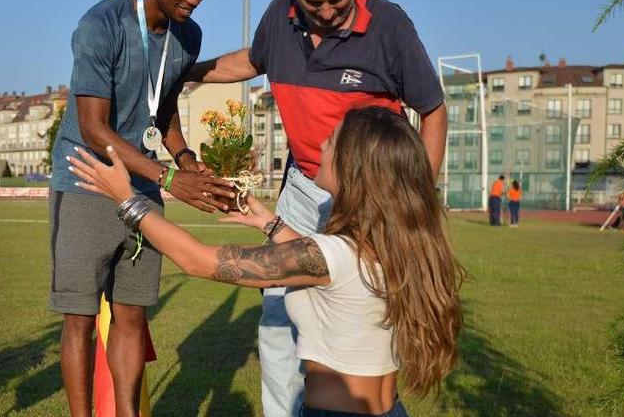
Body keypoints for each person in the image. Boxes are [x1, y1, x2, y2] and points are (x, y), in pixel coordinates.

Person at [186, 0, 448, 414]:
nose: (326, 12)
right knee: (277, 321)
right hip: (305, 190)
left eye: (338, 0)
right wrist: (187, 70)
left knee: (362, 330)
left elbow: (432, 109)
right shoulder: (279, 15)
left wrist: (417, 199)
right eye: (314, 2)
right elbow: (253, 60)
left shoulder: (390, 26)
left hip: (373, 199)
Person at [68, 106, 466, 417]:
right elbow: (334, 273)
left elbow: (200, 261)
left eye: (332, 141)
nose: (322, 146)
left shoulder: (329, 254)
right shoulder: (388, 246)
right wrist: (270, 222)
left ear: (354, 167)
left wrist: (127, 199)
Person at [48, 0, 234, 416]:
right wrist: (173, 178)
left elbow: (163, 108)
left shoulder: (187, 36)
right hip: (87, 179)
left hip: (145, 187)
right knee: (81, 320)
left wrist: (188, 160)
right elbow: (93, 127)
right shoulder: (101, 25)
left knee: (131, 316)